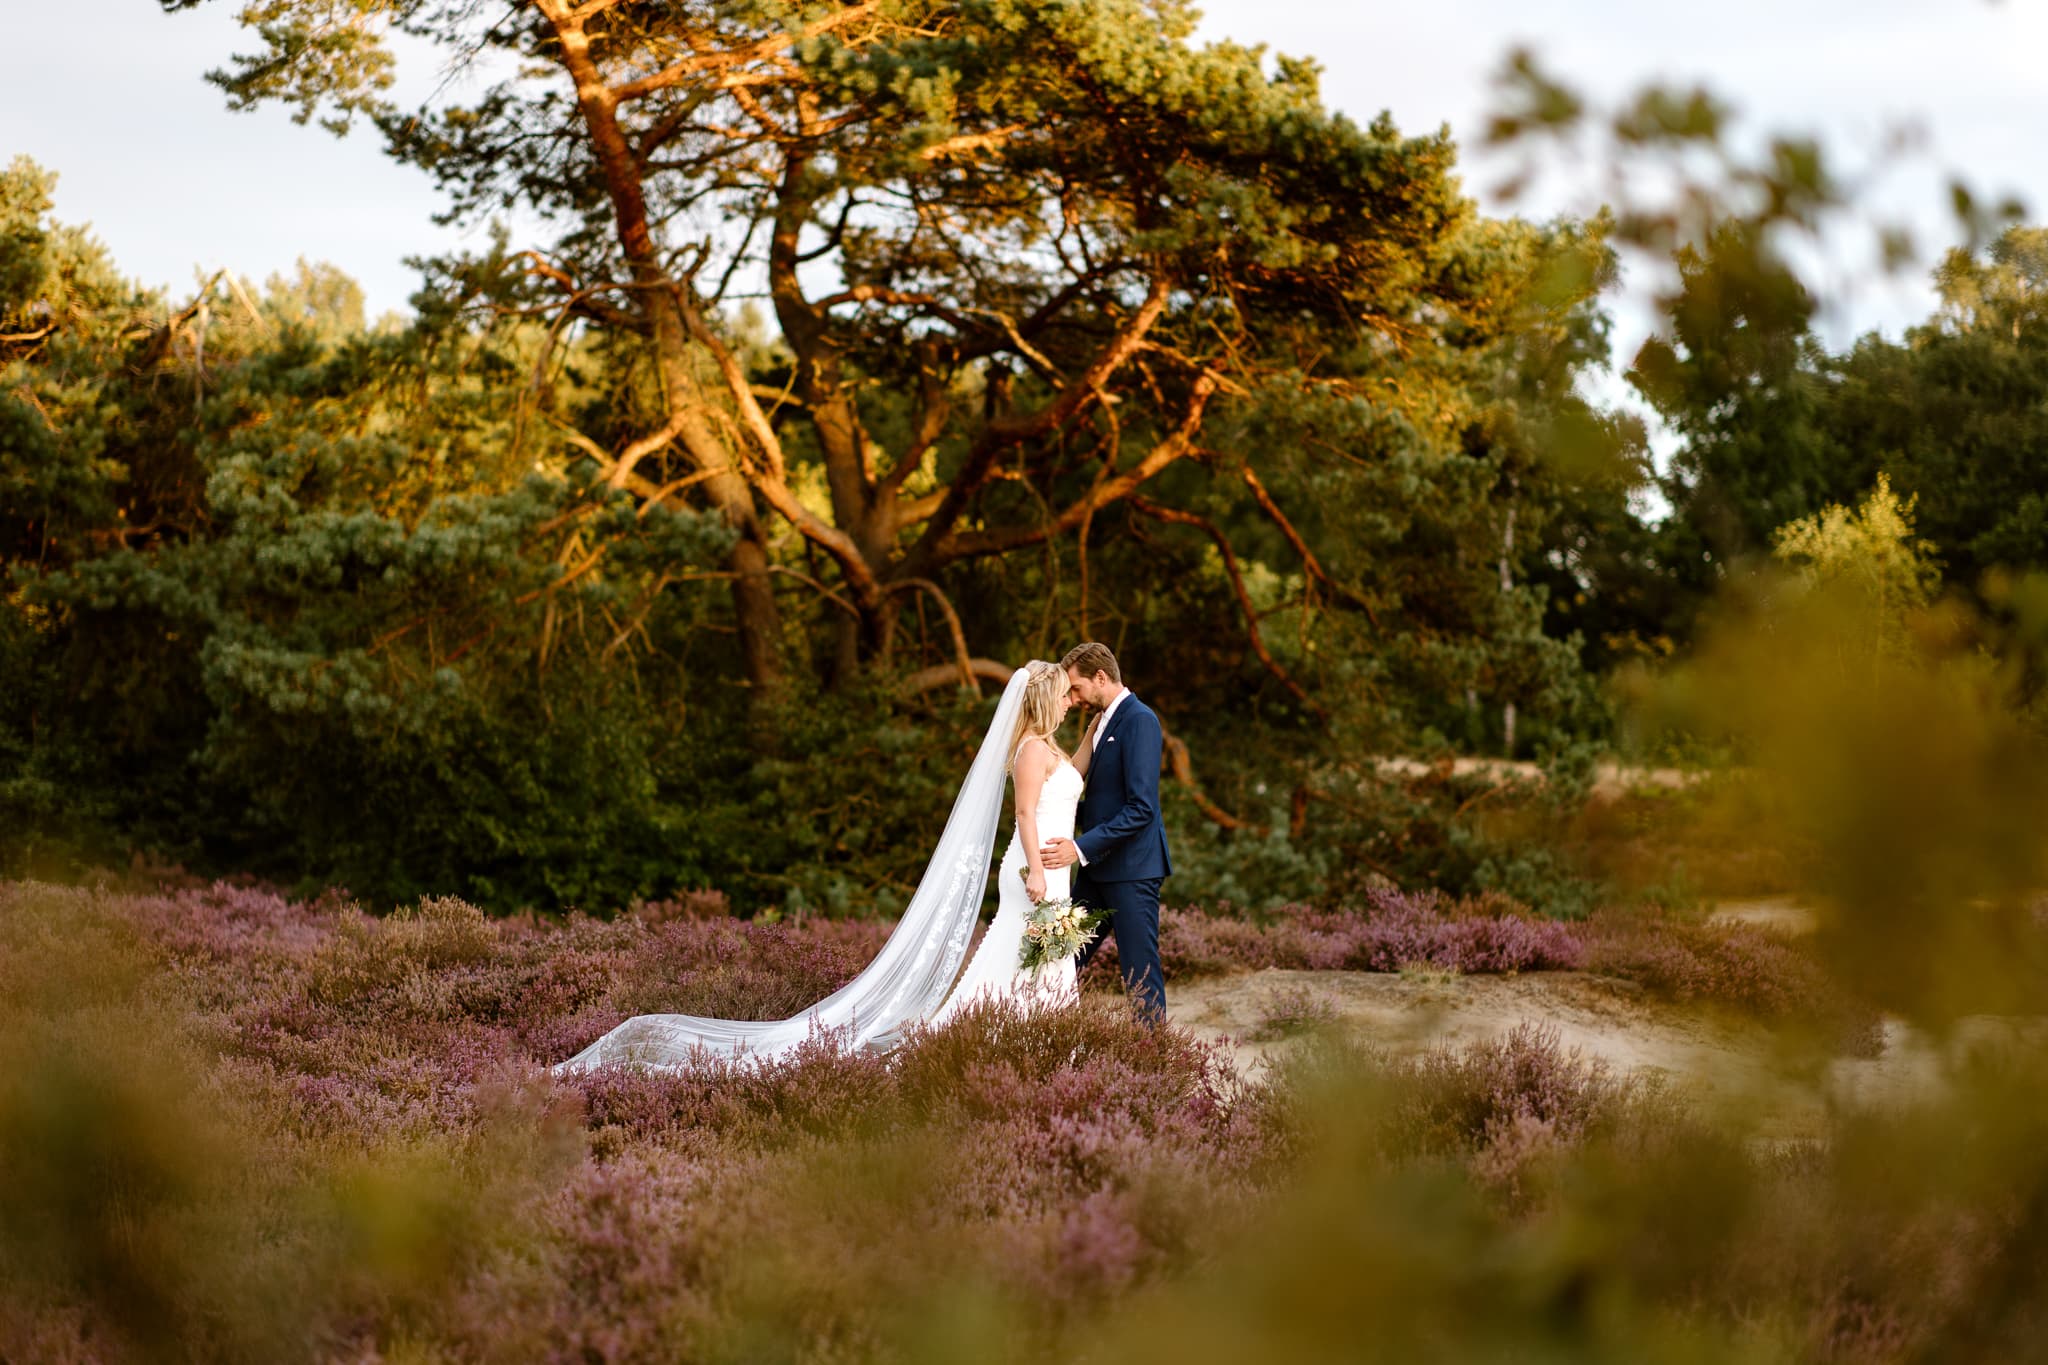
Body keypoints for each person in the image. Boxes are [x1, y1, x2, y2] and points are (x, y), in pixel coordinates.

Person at [555, 661, 1090, 1072]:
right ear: (1044, 701)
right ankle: (979, 1041)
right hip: (1033, 871)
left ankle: (1041, 1045)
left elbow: (1063, 791)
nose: (1070, 703)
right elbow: (1023, 812)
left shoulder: (1049, 748)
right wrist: (1037, 873)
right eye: (1064, 697)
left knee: (1042, 960)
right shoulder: (1029, 750)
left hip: (1053, 869)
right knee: (1015, 956)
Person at [1038, 642, 1171, 1023]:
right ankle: (1036, 1042)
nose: (1073, 697)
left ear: (1100, 677)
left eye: (1076, 688)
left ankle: (1153, 1066)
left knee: (1140, 975)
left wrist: (1078, 848)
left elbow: (1141, 808)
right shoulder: (1102, 723)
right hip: (1096, 872)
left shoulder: (1140, 720)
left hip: (1132, 871)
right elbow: (1100, 800)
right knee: (1058, 958)